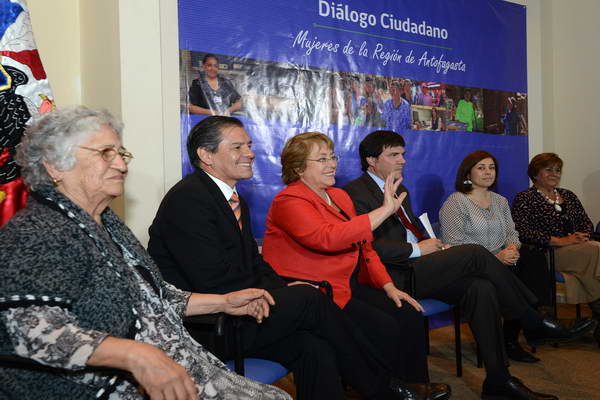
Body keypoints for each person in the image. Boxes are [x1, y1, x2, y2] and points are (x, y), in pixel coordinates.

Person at [147, 115, 447, 400]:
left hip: (246, 311)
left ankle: (387, 388)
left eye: (249, 145)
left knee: (315, 347)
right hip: (211, 325)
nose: (250, 153)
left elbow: (255, 263)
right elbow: (210, 278)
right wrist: (282, 294)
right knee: (311, 298)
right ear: (206, 155)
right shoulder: (189, 199)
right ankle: (387, 390)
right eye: (238, 147)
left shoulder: (232, 200)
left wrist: (282, 289)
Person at [0, 106, 290, 400]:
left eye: (121, 154)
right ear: (54, 166)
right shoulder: (35, 233)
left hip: (185, 368)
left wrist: (224, 302)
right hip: (108, 387)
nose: (121, 166)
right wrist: (134, 354)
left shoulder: (107, 224)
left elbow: (155, 298)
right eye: (105, 154)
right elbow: (34, 334)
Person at [343, 130, 594, 400]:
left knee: (481, 288)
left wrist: (433, 244)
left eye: (403, 154)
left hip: (420, 266)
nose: (402, 160)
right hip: (392, 275)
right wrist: (416, 249)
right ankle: (533, 319)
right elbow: (364, 245)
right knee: (474, 253)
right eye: (394, 155)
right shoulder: (353, 193)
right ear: (371, 160)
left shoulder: (399, 188)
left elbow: (410, 231)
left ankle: (499, 381)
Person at [261, 132, 450, 400]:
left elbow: (365, 247)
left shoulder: (339, 195)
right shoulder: (289, 201)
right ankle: (394, 390)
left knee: (406, 312)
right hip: (316, 292)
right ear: (299, 168)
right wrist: (384, 210)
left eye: (332, 157)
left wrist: (388, 287)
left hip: (345, 284)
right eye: (322, 159)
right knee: (383, 327)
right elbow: (327, 238)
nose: (332, 164)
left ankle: (415, 387)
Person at [439, 150, 554, 364]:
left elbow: (512, 233)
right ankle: (532, 328)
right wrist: (495, 257)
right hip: (472, 265)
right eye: (481, 168)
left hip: (503, 258)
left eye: (491, 168)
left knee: (533, 257)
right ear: (468, 173)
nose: (488, 172)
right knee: (515, 277)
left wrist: (512, 248)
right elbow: (453, 244)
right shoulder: (456, 202)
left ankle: (522, 330)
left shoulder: (500, 201)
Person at [512, 152, 600, 346]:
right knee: (596, 250)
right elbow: (522, 232)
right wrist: (561, 240)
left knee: (593, 253)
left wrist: (581, 236)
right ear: (535, 174)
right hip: (546, 253)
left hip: (580, 250)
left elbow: (586, 223)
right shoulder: (525, 198)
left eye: (558, 170)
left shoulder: (568, 195)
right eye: (549, 170)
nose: (555, 174)